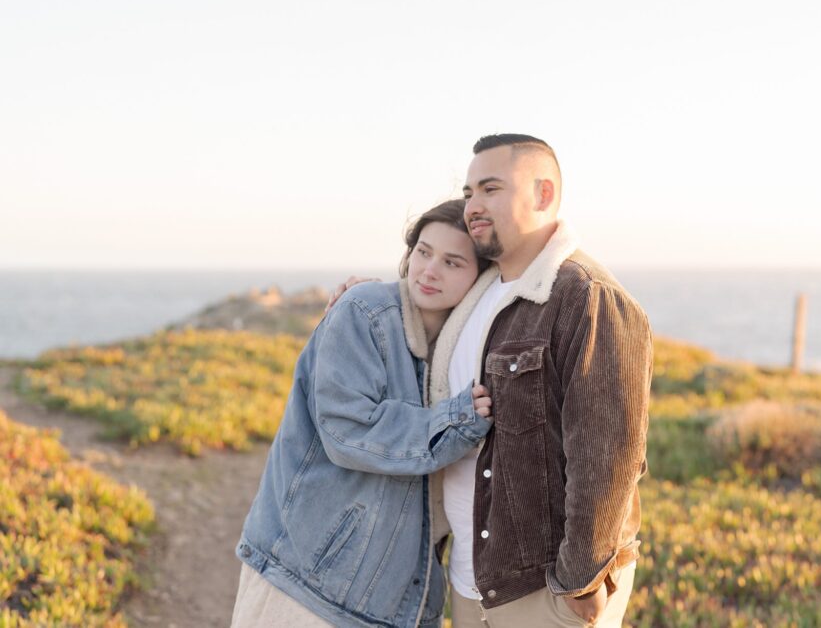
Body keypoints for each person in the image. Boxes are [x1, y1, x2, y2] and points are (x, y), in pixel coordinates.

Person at [329, 135, 652, 627]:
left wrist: (580, 581)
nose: (473, 206)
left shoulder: (587, 297)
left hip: (541, 588)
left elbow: (608, 456)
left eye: (491, 188)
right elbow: (430, 305)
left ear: (543, 195)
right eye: (469, 191)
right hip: (471, 574)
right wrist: (370, 295)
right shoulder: (484, 291)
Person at [232, 199, 499, 628]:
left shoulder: (461, 353)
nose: (429, 270)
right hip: (306, 583)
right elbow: (348, 430)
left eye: (452, 262)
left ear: (481, 279)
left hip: (392, 602)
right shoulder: (365, 312)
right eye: (423, 252)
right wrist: (453, 422)